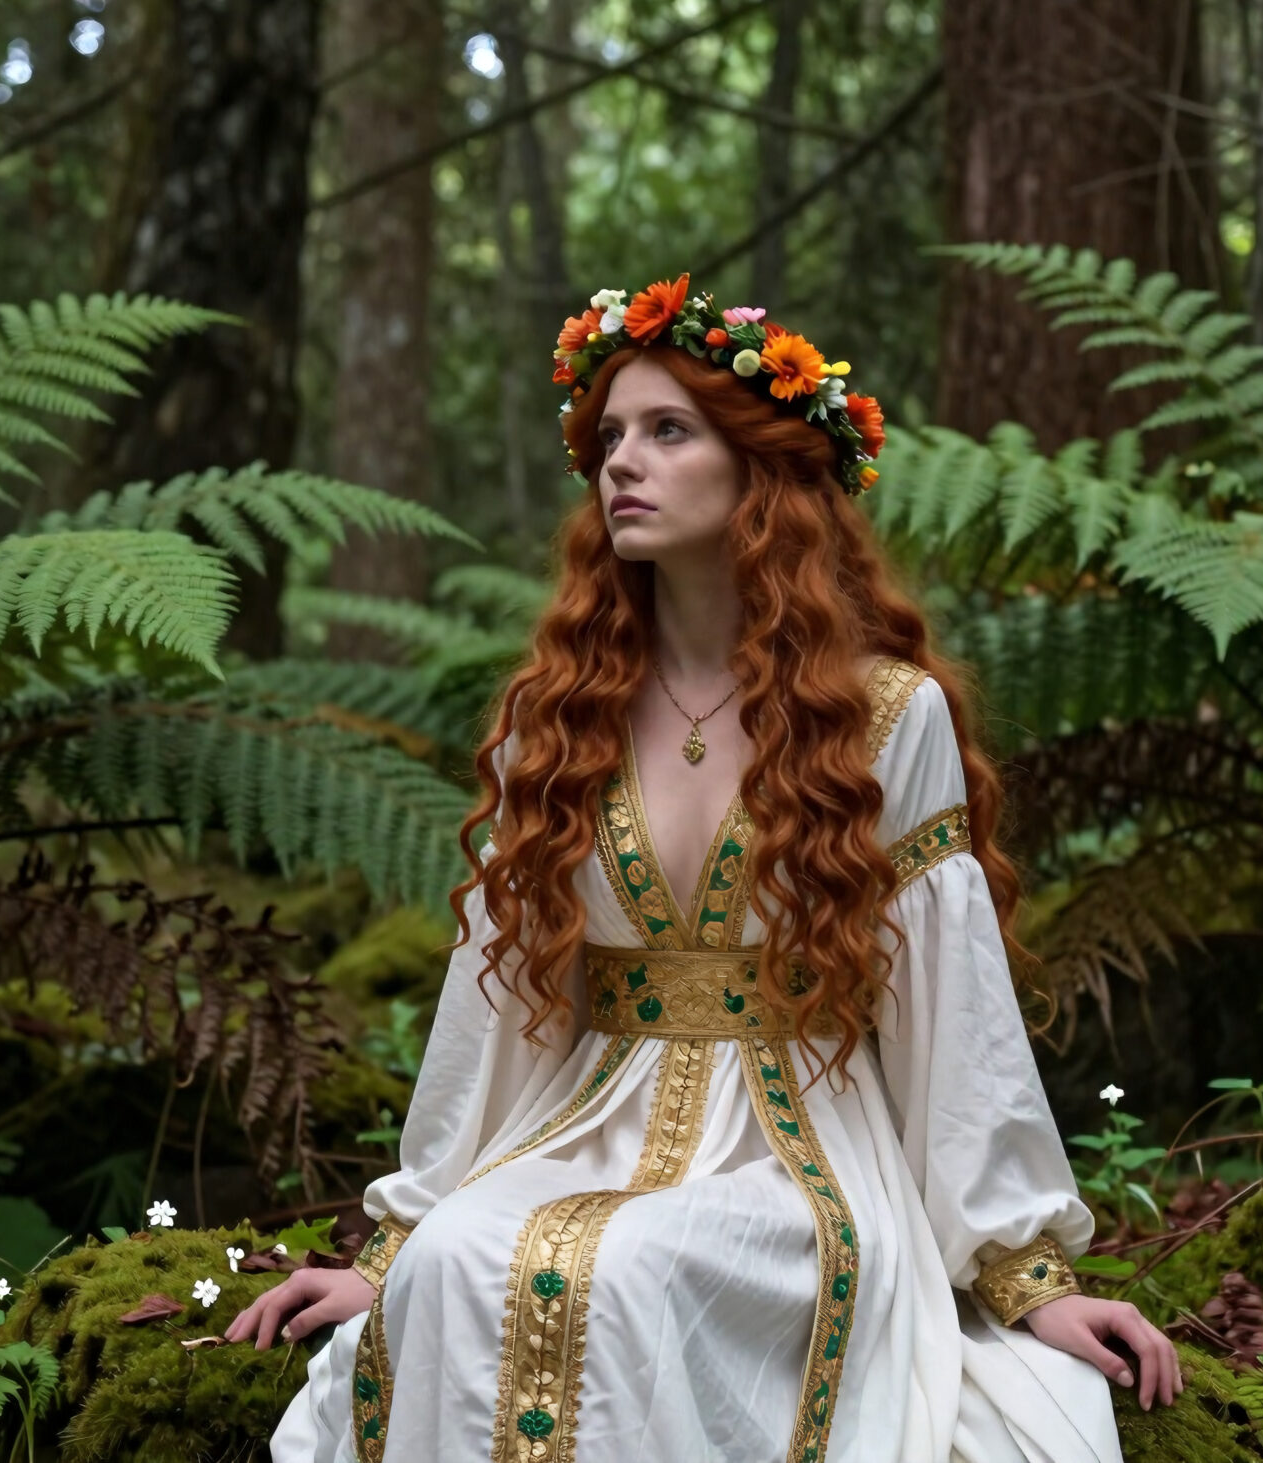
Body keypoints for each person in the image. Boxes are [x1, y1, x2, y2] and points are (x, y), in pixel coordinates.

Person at [235, 274, 1179, 1463]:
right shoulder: (556, 716)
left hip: (798, 1146)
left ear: (760, 471)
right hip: (584, 1121)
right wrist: (398, 1242)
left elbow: (953, 1008)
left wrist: (1024, 1273)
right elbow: (499, 1002)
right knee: (464, 1258)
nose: (622, 461)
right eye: (611, 437)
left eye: (668, 431)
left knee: (632, 1263)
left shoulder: (887, 717)